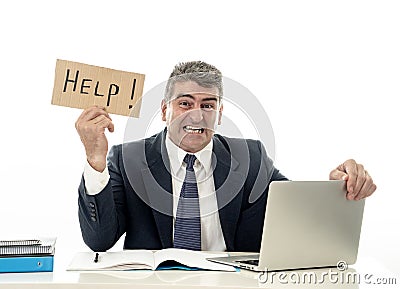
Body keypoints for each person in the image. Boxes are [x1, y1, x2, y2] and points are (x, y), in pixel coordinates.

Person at [75, 61, 376, 252]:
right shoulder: (128, 158)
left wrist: (338, 188)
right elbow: (99, 241)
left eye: (208, 105)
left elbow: (298, 216)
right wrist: (95, 161)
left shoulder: (250, 157)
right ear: (165, 111)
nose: (197, 113)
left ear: (219, 114)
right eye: (184, 103)